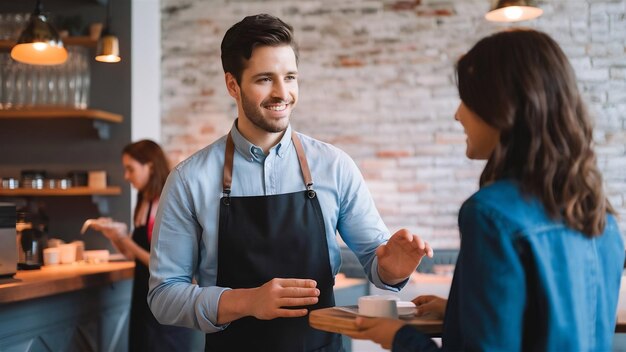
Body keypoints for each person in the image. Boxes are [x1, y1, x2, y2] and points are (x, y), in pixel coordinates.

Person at [147, 14, 433, 352]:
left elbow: (377, 261)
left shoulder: (334, 166)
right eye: (265, 79)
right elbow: (164, 296)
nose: (283, 93)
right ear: (232, 85)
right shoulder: (189, 179)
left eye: (290, 77)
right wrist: (247, 301)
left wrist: (392, 268)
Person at [344, 28, 625, 351]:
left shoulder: (490, 215)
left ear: (502, 107)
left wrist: (395, 335)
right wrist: (458, 313)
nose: (458, 114)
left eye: (467, 100)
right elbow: (555, 326)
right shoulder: (601, 217)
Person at [85, 140, 195, 352]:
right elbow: (131, 254)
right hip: (143, 297)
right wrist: (115, 235)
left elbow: (161, 262)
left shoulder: (168, 200)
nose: (126, 176)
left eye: (130, 169)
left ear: (150, 166)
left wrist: (125, 239)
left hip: (168, 300)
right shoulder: (143, 198)